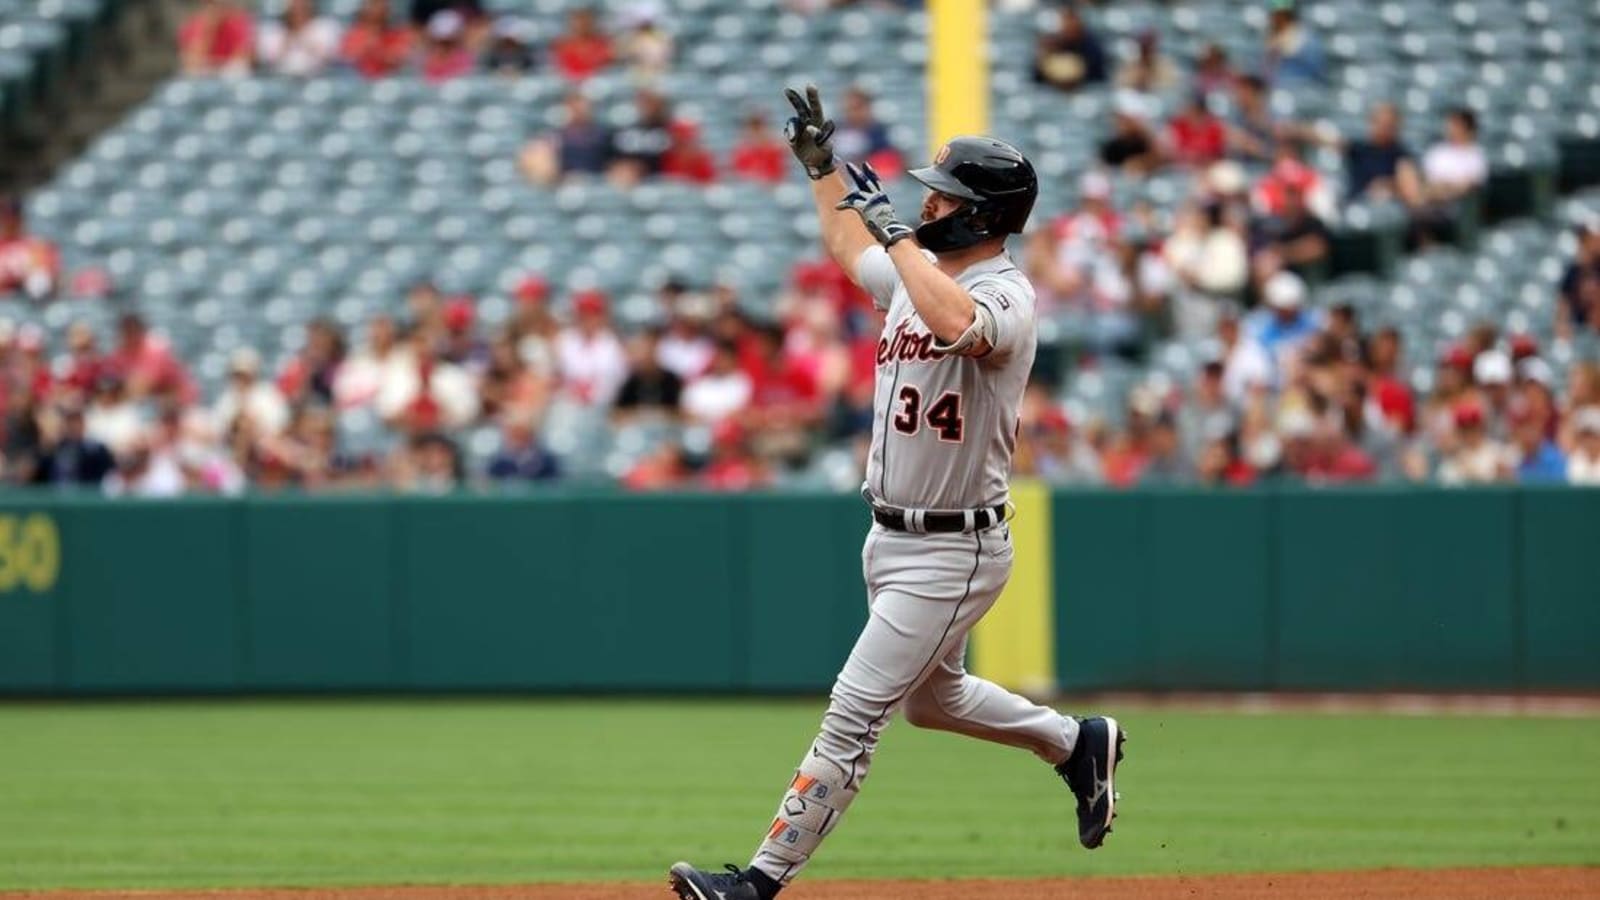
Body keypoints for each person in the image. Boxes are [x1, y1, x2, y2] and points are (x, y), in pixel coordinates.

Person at [668, 86, 1124, 900]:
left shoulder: (1005, 296)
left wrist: (901, 240)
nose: (926, 202)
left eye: (944, 195)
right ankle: (1075, 742)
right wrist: (822, 170)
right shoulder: (921, 270)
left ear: (984, 218)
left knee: (855, 710)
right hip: (891, 536)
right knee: (932, 700)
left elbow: (958, 324)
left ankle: (759, 882)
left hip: (956, 544)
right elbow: (852, 247)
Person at [519, 92, 615, 185]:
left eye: (583, 107)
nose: (579, 111)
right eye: (574, 107)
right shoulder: (553, 138)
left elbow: (616, 166)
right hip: (560, 184)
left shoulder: (603, 137)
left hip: (596, 183)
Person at [1033, 3, 1106, 93]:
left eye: (1072, 20)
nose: (1069, 24)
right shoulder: (1052, 43)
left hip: (1086, 90)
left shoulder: (1091, 46)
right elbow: (1038, 77)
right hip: (1052, 91)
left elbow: (1095, 74)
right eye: (1065, 20)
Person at [256, 0, 341, 77]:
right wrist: (288, 38)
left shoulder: (323, 27)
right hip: (282, 77)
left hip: (315, 76)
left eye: (302, 8)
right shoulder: (274, 29)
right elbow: (268, 61)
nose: (298, 12)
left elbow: (328, 57)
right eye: (294, 9)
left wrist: (303, 38)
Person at [0, 196, 60, 300]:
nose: (9, 221)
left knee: (38, 280)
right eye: (5, 216)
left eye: (13, 216)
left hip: (28, 301)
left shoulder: (38, 246)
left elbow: (48, 280)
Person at [338, 0, 413, 78]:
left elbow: (398, 58)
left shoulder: (397, 35)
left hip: (388, 81)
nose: (377, 9)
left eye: (382, 4)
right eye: (374, 4)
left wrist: (376, 50)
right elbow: (348, 57)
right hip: (357, 80)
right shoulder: (353, 34)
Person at [179, 0, 255, 76]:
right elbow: (191, 64)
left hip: (227, 78)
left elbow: (242, 60)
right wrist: (209, 30)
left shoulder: (238, 25)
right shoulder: (194, 26)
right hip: (202, 78)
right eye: (214, 4)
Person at [1262, 0, 1325, 86]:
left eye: (1280, 14)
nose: (1275, 18)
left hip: (1299, 87)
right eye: (1274, 13)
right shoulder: (1270, 35)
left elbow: (1313, 73)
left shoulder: (1308, 40)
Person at [550, 6, 613, 81]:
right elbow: (563, 72)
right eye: (578, 21)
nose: (582, 25)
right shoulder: (563, 46)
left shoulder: (603, 43)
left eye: (586, 21)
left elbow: (606, 67)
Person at [729, 110, 789, 184]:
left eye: (758, 127)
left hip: (772, 184)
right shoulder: (742, 150)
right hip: (751, 185)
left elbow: (780, 171)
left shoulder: (774, 147)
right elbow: (739, 173)